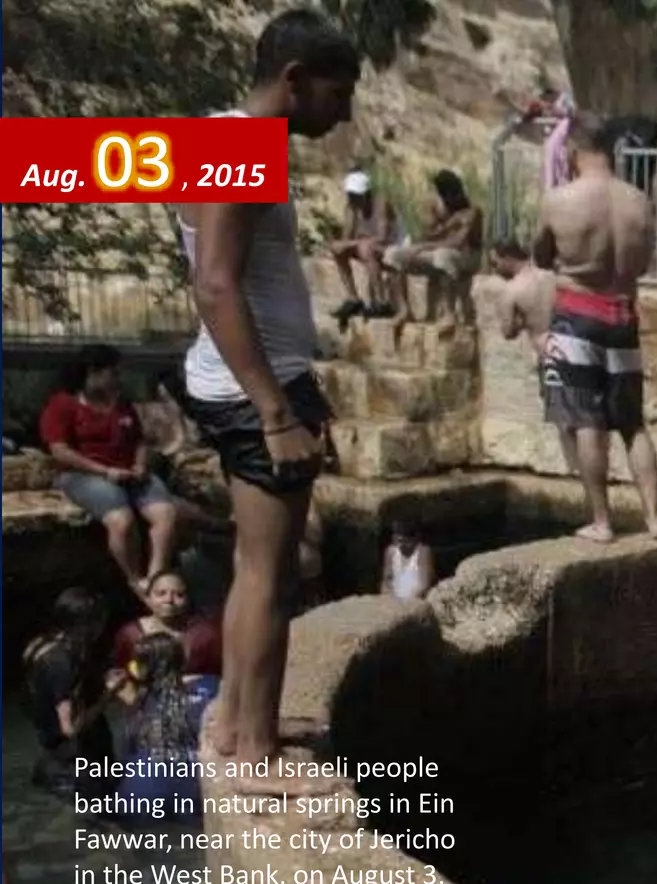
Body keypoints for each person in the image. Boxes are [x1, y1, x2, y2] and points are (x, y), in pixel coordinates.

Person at [178, 9, 359, 767]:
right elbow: (214, 285)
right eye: (336, 90)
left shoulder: (219, 139)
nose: (344, 109)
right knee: (268, 574)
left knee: (263, 569)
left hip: (255, 381)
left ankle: (234, 725)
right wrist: (276, 410)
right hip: (257, 392)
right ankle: (253, 745)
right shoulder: (238, 144)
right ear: (292, 81)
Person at [532, 112, 657, 544]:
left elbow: (540, 256)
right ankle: (655, 519)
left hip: (577, 315)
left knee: (587, 421)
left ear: (573, 151)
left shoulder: (559, 200)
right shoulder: (639, 200)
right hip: (623, 316)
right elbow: (644, 263)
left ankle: (602, 521)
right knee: (632, 422)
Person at [40, 344, 181, 596]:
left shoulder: (121, 404)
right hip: (83, 475)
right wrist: (104, 471)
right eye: (113, 373)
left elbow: (138, 440)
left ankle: (155, 576)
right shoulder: (62, 404)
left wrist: (139, 465)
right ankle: (134, 580)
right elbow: (59, 450)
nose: (119, 378)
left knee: (166, 513)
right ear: (92, 372)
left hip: (128, 472)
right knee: (121, 520)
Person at [109, 632, 213, 819]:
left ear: (140, 670)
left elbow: (124, 755)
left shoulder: (138, 704)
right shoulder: (211, 688)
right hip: (190, 793)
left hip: (138, 795)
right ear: (182, 660)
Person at [24, 588, 113, 793]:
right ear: (89, 625)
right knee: (108, 824)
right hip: (79, 765)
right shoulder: (65, 662)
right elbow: (71, 728)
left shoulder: (38, 645)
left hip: (52, 757)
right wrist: (108, 694)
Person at [386, 169, 482, 324]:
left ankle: (449, 313)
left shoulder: (471, 212)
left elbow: (457, 243)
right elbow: (428, 235)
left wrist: (423, 246)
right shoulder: (444, 210)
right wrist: (433, 218)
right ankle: (404, 309)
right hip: (438, 252)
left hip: (467, 256)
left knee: (443, 256)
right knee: (393, 254)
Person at [110, 570, 223, 679]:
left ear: (188, 600)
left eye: (179, 595)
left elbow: (216, 676)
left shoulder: (205, 634)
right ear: (147, 598)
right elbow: (120, 674)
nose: (169, 600)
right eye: (161, 594)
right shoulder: (130, 634)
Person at [329, 169, 403, 323]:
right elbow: (346, 238)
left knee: (365, 248)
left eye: (356, 196)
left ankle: (381, 301)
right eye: (351, 195)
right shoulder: (351, 208)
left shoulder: (381, 204)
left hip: (393, 245)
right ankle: (353, 298)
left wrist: (353, 243)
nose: (353, 199)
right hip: (369, 246)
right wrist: (341, 245)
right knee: (338, 250)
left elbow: (382, 237)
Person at [381, 519, 437, 600]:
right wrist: (389, 597)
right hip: (394, 600)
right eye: (399, 541)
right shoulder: (390, 551)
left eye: (406, 542)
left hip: (416, 599)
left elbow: (425, 585)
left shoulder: (423, 551)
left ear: (416, 538)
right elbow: (386, 582)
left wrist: (408, 602)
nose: (401, 545)